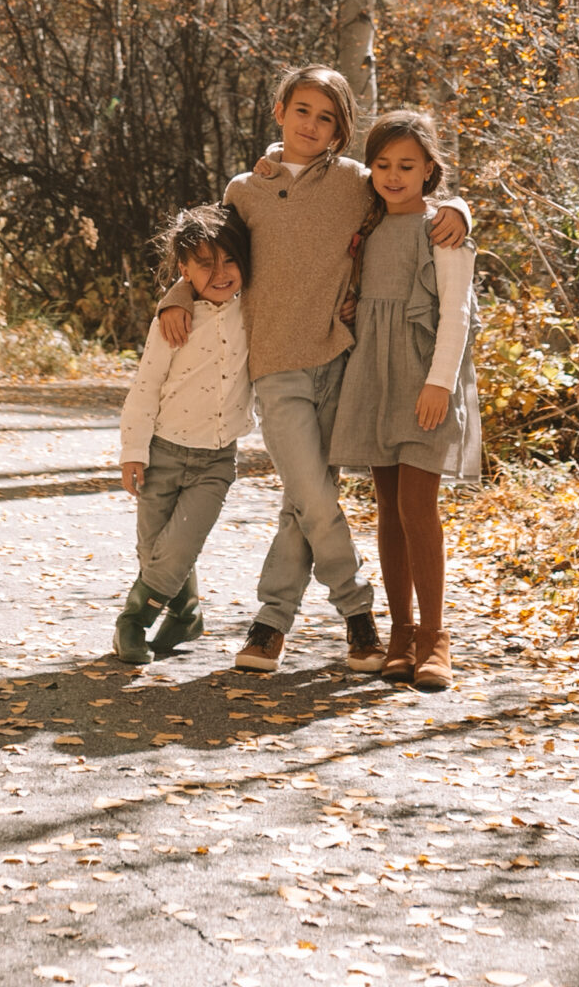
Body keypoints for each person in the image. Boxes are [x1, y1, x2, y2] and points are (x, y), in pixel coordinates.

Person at [158, 64, 471, 676]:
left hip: (344, 361)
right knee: (311, 495)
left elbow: (415, 197)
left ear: (341, 130)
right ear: (280, 112)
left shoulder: (358, 182)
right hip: (276, 364)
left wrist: (460, 206)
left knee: (303, 501)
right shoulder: (243, 190)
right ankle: (359, 615)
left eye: (327, 117)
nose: (312, 124)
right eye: (302, 110)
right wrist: (176, 292)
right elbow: (214, 261)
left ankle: (270, 628)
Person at [329, 108, 481, 692]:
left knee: (419, 509)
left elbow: (457, 314)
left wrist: (439, 383)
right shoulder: (366, 229)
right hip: (374, 377)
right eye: (383, 164)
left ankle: (435, 638)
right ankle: (399, 634)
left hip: (424, 382)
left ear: (429, 171)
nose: (394, 175)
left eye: (407, 165)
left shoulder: (441, 229)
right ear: (369, 169)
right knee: (388, 510)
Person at [115, 202, 254, 665]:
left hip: (216, 459)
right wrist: (133, 451)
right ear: (184, 269)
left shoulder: (254, 310)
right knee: (153, 548)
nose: (220, 272)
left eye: (230, 260)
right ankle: (188, 612)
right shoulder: (173, 319)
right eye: (205, 264)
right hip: (163, 451)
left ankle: (132, 623)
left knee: (178, 547)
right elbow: (145, 387)